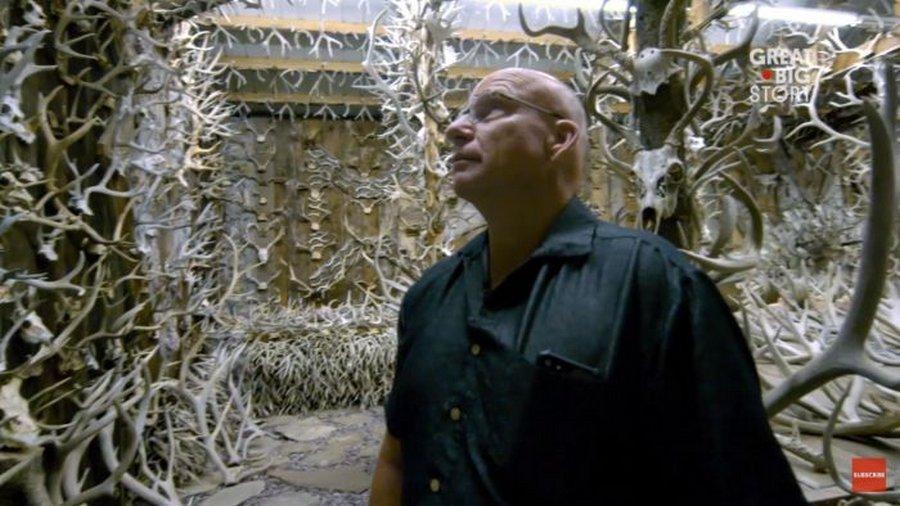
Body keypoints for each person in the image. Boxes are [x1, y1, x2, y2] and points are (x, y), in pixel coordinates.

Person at [369, 67, 807, 505]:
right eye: (464, 114)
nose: (455, 129)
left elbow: (743, 481)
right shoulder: (430, 294)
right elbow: (396, 457)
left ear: (559, 139)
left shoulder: (654, 285)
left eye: (491, 111)